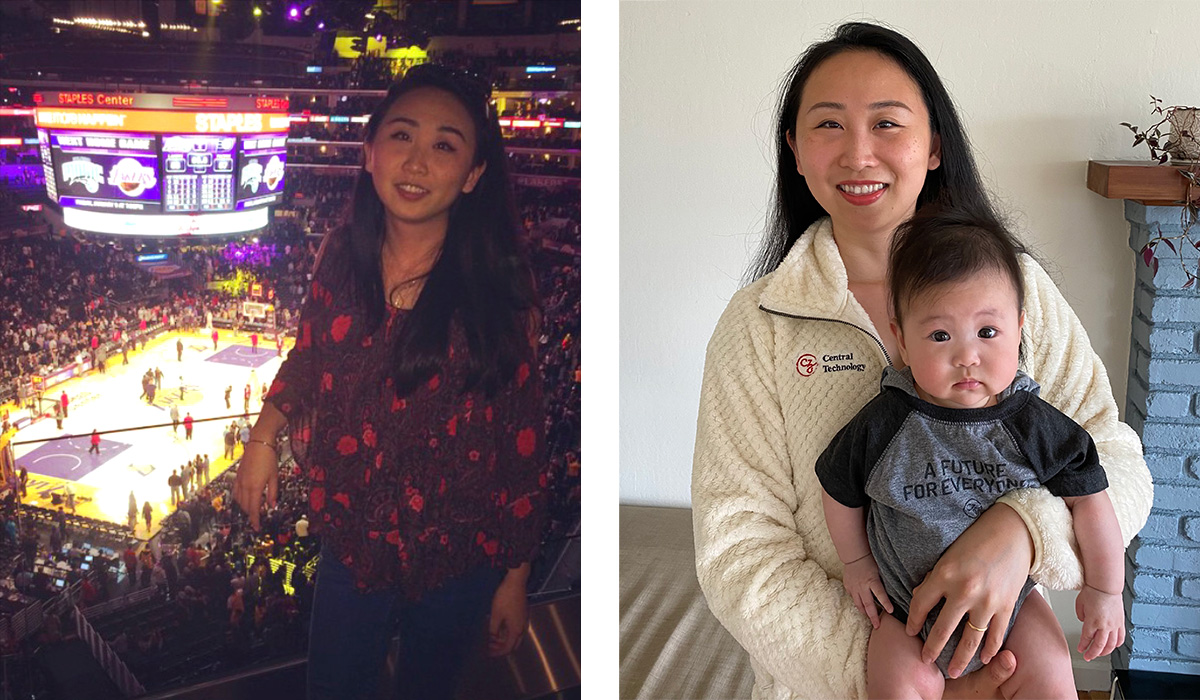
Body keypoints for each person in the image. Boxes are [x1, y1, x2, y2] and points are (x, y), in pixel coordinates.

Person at [690, 23, 1153, 699]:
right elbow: (739, 553)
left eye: (886, 123)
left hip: (1009, 670)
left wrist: (1025, 530)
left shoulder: (1015, 290)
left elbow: (1116, 462)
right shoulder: (760, 326)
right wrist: (911, 676)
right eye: (827, 125)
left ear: (934, 145)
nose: (858, 153)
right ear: (794, 149)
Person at [233, 64, 550, 700]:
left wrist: (514, 578)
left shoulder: (500, 288)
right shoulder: (337, 256)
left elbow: (522, 442)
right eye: (402, 137)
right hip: (354, 538)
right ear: (370, 153)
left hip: (460, 552)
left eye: (445, 145)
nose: (417, 162)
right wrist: (263, 437)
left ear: (473, 174)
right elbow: (311, 357)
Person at [817, 211, 1125, 696]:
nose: (967, 356)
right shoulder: (885, 422)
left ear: (1019, 328)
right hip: (905, 616)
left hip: (1013, 609)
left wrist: (1106, 589)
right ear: (901, 338)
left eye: (987, 332)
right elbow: (837, 486)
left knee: (1049, 667)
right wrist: (855, 563)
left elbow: (1091, 498)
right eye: (940, 335)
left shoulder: (1033, 424)